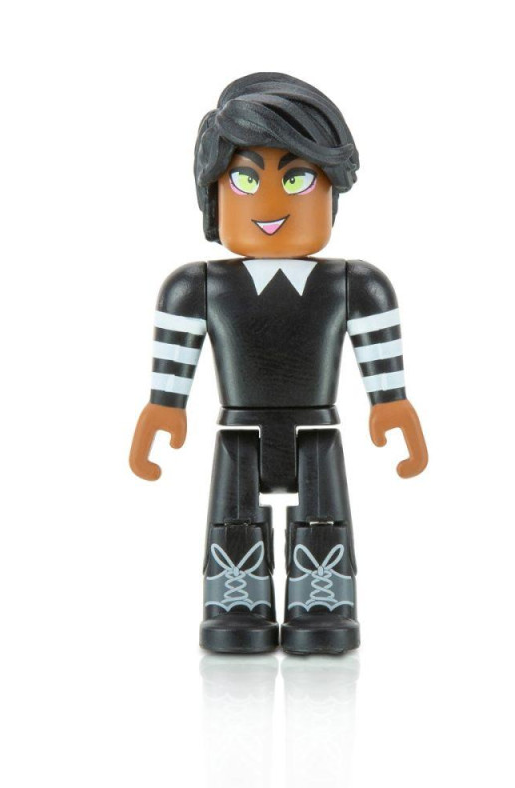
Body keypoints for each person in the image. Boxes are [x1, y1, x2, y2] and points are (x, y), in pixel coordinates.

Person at [129, 73, 428, 655]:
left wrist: (391, 405)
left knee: (325, 517)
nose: (270, 204)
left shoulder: (354, 285)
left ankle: (324, 604)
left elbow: (380, 358)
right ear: (213, 194)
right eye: (245, 179)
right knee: (232, 519)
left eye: (297, 179)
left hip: (317, 426)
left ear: (331, 191)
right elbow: (173, 363)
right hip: (239, 428)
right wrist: (164, 409)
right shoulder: (198, 287)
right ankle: (235, 604)